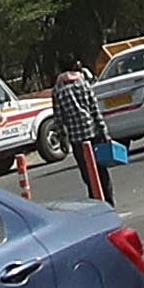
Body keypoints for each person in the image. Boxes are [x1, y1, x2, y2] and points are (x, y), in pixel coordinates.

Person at [49, 62, 111, 204]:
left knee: (88, 174)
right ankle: (108, 200)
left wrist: (63, 140)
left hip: (76, 138)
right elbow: (95, 111)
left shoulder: (58, 91)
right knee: (101, 171)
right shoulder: (84, 85)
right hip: (92, 132)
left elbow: (58, 118)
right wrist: (104, 132)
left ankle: (96, 201)